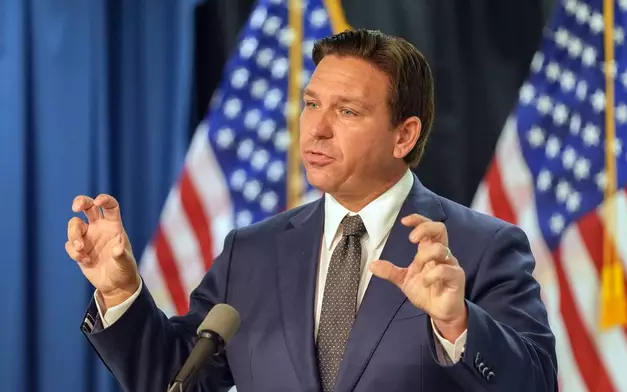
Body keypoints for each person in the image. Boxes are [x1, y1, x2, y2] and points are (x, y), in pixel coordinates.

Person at [67, 29, 558, 392]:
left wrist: (457, 324)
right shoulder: (253, 251)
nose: (316, 129)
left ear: (404, 135)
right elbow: (175, 378)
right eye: (311, 104)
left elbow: (535, 382)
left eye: (346, 111)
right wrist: (120, 290)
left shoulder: (479, 247)